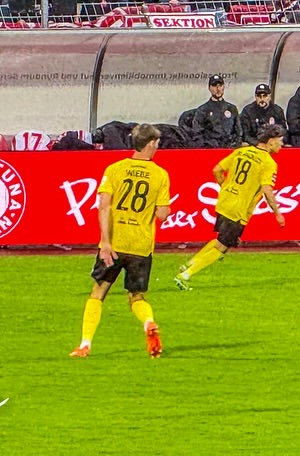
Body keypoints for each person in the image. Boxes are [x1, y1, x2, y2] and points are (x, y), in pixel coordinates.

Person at [71, 123, 170, 359]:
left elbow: (103, 206)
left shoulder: (114, 169)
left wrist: (105, 242)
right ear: (150, 144)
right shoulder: (160, 174)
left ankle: (85, 344)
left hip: (114, 243)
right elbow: (163, 213)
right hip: (141, 245)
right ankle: (148, 322)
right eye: (156, 143)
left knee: (98, 292)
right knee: (136, 296)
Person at [175, 125, 286, 289]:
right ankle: (185, 275)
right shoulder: (268, 162)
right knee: (222, 247)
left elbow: (217, 170)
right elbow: (267, 189)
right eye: (280, 141)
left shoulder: (241, 151)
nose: (282, 145)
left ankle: (190, 263)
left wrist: (225, 187)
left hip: (225, 201)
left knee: (221, 240)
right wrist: (277, 213)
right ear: (270, 142)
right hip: (238, 208)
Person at [188, 74, 240, 147]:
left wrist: (235, 145)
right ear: (209, 88)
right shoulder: (203, 109)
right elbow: (197, 134)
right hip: (211, 150)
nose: (218, 89)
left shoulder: (232, 108)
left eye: (220, 85)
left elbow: (239, 132)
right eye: (214, 86)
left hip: (230, 149)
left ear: (224, 87)